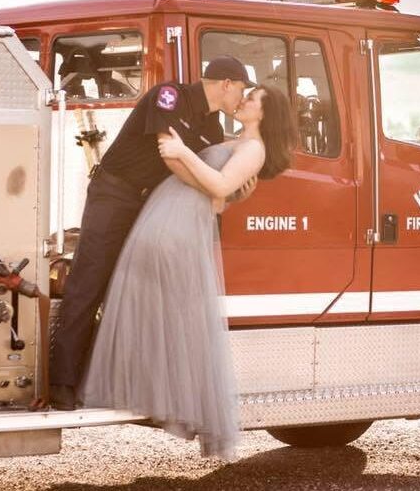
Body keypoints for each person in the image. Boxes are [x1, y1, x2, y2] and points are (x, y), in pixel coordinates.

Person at [79, 84, 297, 459]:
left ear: (265, 114)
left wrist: (182, 154)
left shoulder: (254, 150)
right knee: (151, 314)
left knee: (172, 322)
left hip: (177, 227)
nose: (244, 99)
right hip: (166, 220)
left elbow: (220, 185)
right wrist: (218, 192)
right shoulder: (233, 141)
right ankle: (145, 393)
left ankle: (166, 400)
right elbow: (218, 196)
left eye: (253, 98)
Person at [50, 56, 256, 411]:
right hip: (115, 194)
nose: (241, 97)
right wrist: (216, 189)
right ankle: (61, 382)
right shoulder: (170, 96)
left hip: (150, 205)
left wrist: (231, 190)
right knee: (90, 282)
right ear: (226, 83)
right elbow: (172, 158)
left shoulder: (213, 127)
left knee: (132, 290)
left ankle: (112, 383)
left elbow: (204, 174)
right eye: (241, 88)